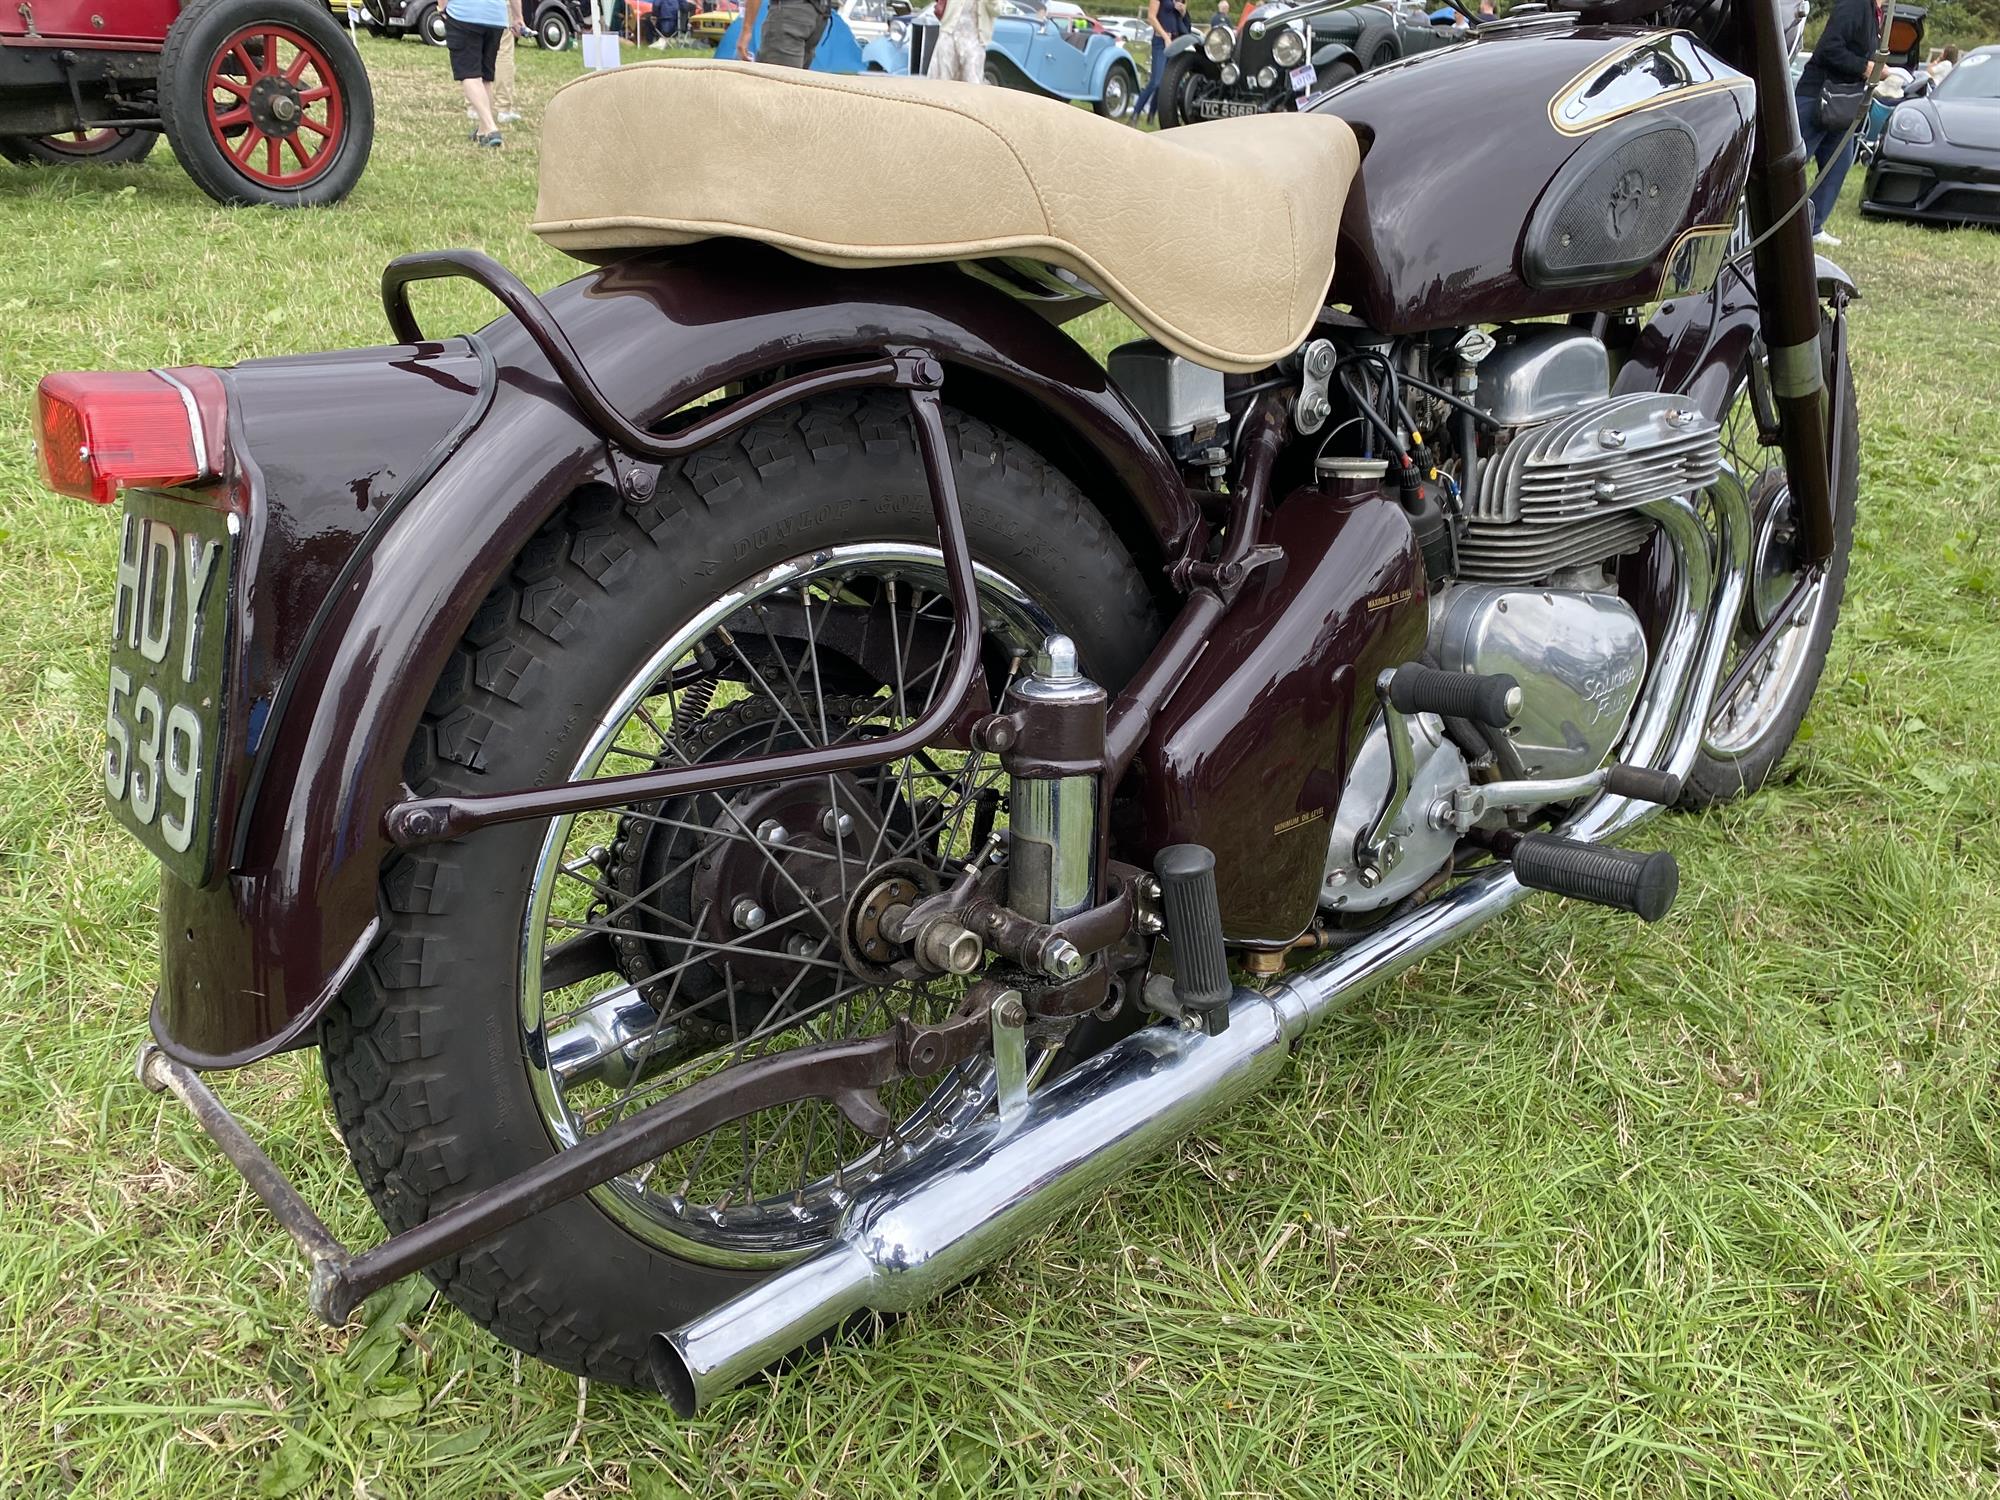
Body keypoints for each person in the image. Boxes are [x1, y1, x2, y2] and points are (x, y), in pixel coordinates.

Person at [1794, 0, 1884, 245]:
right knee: (1794, 164)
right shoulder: (1855, 5)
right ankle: (1772, 219)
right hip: (1818, 96)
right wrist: (1865, 67)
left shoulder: (1876, 14)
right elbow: (1828, 48)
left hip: (1843, 102)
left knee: (1839, 163)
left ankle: (1813, 226)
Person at [441, 0, 510, 146]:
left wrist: (442, 8)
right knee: (485, 77)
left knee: (469, 75)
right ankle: (483, 130)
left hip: (464, 14)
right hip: (496, 17)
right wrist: (517, 17)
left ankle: (491, 129)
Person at [1133, 0, 1190, 123]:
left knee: (1164, 83)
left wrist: (1183, 11)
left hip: (1175, 40)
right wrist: (1165, 36)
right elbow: (1151, 17)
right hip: (1161, 41)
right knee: (1156, 81)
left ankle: (1151, 115)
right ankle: (1135, 113)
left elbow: (1182, 21)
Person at [737, 0, 829, 65]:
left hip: (790, 13)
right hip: (820, 12)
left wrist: (747, 28)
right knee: (795, 84)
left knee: (775, 84)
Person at [933, 0, 1000, 83]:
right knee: (943, 79)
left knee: (973, 80)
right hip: (949, 33)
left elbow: (997, 11)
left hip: (975, 38)